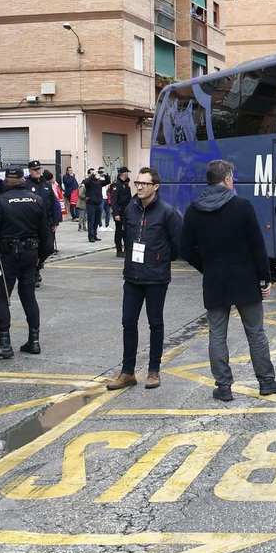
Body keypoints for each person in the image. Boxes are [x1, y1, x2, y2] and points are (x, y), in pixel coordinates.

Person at [181, 159, 276, 402]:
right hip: (245, 279)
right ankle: (266, 382)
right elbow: (257, 246)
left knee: (217, 334)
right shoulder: (242, 206)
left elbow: (184, 248)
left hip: (215, 281)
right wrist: (264, 279)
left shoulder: (194, 210)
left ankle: (224, 387)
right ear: (227, 180)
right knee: (256, 332)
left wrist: (206, 267)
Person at [107, 167, 184, 390]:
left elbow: (177, 246)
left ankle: (153, 371)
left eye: (144, 184)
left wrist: (159, 259)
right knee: (128, 323)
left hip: (156, 277)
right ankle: (128, 372)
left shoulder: (168, 212)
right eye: (137, 183)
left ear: (155, 187)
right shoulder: (130, 209)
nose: (139, 187)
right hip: (132, 276)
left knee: (155, 323)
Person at [0, 167, 50, 361]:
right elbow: (46, 234)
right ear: (24, 181)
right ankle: (34, 341)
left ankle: (4, 344)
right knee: (28, 296)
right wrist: (40, 259)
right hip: (30, 255)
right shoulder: (37, 200)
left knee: (0, 297)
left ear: (6, 182)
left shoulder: (1, 201)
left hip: (7, 256)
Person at [110, 167, 133, 257]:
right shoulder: (116, 185)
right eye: (127, 172)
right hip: (119, 212)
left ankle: (126, 250)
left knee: (126, 231)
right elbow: (114, 201)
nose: (128, 174)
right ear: (124, 173)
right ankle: (119, 250)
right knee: (119, 232)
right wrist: (116, 214)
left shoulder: (126, 184)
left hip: (126, 211)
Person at [82, 168, 106, 243]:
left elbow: (107, 181)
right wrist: (92, 176)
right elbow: (86, 183)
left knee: (97, 220)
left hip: (98, 203)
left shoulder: (99, 182)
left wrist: (104, 174)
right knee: (91, 221)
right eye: (92, 173)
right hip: (91, 204)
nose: (95, 175)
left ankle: (95, 235)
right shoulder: (88, 181)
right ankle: (91, 236)